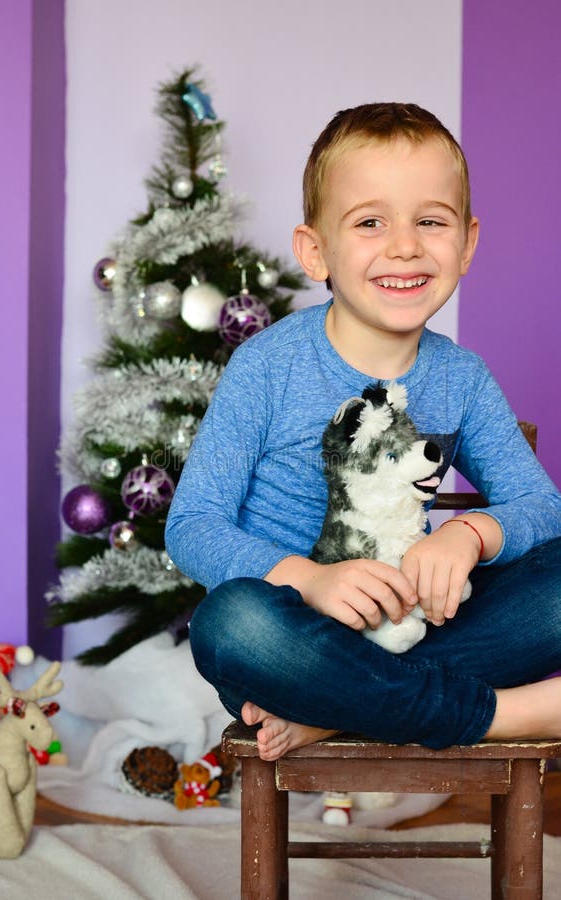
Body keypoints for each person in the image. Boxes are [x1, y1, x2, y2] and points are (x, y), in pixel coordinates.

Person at [165, 103, 561, 762]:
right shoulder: (267, 366)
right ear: (314, 250)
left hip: (415, 632)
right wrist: (307, 581)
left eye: (430, 222)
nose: (404, 246)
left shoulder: (462, 377)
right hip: (292, 644)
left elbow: (541, 507)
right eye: (370, 222)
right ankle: (490, 715)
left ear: (466, 242)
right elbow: (193, 524)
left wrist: (469, 533)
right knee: (229, 622)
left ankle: (345, 711)